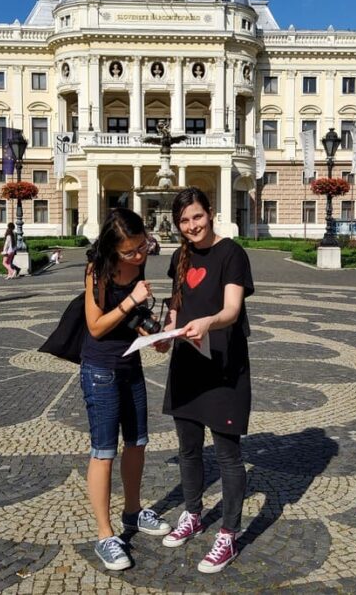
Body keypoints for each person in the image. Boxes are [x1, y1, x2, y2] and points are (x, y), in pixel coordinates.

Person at [155, 187, 254, 574]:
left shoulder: (231, 254)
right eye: (184, 221)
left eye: (197, 217)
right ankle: (193, 514)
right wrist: (165, 334)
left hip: (223, 365)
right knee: (189, 449)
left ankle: (228, 534)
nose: (192, 226)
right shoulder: (180, 257)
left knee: (228, 456)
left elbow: (231, 309)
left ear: (209, 213)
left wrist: (208, 322)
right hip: (187, 364)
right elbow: (176, 307)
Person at [80, 207, 171, 571]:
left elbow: (133, 319)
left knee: (137, 443)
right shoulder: (96, 271)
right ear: (112, 249)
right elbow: (97, 326)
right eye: (130, 252)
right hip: (101, 369)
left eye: (142, 247)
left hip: (131, 364)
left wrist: (155, 335)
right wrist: (132, 299)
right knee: (104, 450)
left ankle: (133, 511)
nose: (138, 256)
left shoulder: (138, 264)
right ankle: (105, 535)